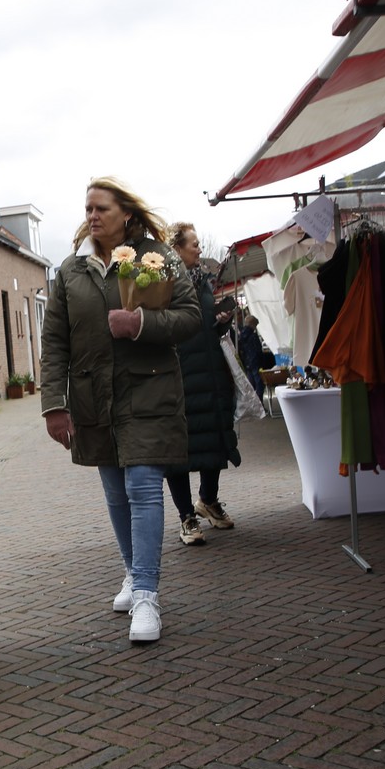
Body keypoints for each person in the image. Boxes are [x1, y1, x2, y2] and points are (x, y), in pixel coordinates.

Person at [39, 177, 200, 643]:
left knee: (143, 486)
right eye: (88, 208)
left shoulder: (159, 257)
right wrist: (54, 404)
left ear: (125, 213)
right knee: (115, 491)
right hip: (93, 396)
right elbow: (55, 342)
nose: (92, 216)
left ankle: (147, 594)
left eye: (102, 208)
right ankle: (132, 570)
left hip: (148, 389)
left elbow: (191, 316)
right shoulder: (71, 271)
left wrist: (141, 323)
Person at [164, 222, 242, 546]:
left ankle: (208, 500)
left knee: (214, 440)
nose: (199, 248)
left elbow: (208, 326)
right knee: (179, 452)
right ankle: (187, 516)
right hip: (180, 379)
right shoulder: (162, 285)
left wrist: (222, 322)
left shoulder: (205, 282)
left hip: (212, 375)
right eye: (193, 244)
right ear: (176, 249)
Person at [238, 314, 265, 401]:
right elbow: (258, 350)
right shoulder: (253, 336)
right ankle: (259, 402)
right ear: (253, 325)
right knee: (260, 384)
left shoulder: (241, 335)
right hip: (256, 362)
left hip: (247, 362)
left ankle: (252, 403)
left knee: (250, 385)